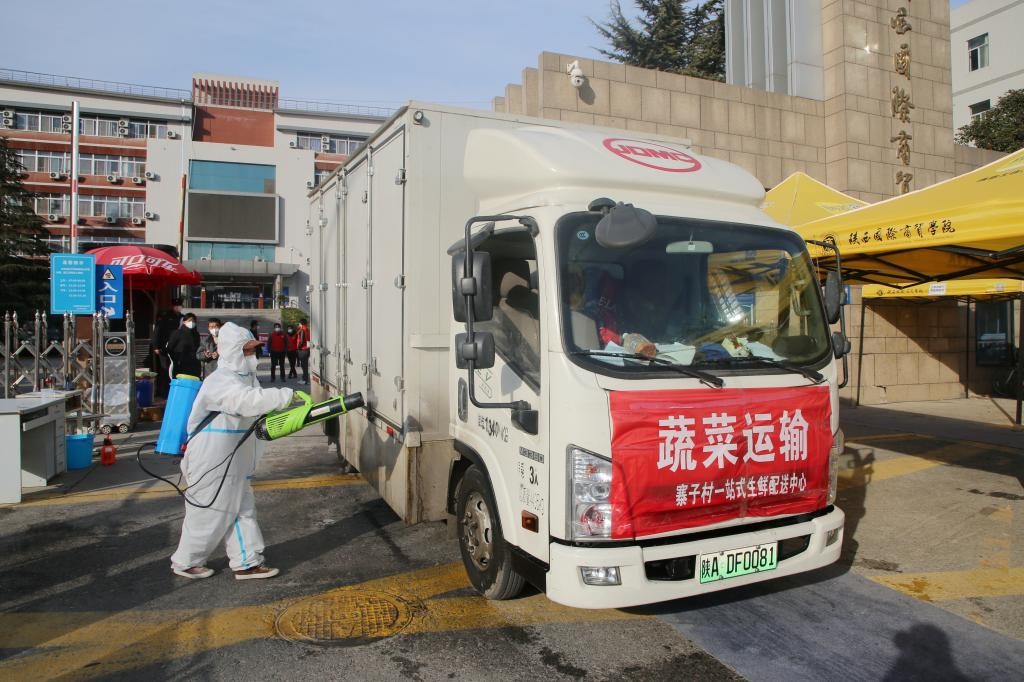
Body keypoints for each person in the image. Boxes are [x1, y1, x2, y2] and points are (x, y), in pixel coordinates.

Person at [170, 322, 295, 580]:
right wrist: (283, 396)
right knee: (209, 511)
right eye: (247, 350)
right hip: (212, 459)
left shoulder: (246, 378)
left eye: (253, 349)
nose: (252, 355)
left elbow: (255, 411)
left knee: (242, 509)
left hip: (234, 458)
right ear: (232, 351)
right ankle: (186, 561)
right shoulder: (220, 380)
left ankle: (247, 562)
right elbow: (244, 402)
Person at [150, 300, 183, 398]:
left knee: (176, 369)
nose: (178, 307)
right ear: (172, 306)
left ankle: (174, 390)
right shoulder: (165, 316)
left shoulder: (182, 318)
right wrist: (156, 346)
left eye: (179, 305)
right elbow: (157, 331)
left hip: (178, 348)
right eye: (176, 305)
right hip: (164, 347)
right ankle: (163, 392)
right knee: (164, 369)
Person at [166, 313, 203, 378]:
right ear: (184, 322)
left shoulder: (196, 334)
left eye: (193, 321)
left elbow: (197, 348)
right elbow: (170, 348)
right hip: (180, 365)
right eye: (189, 320)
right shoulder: (177, 333)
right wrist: (176, 359)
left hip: (194, 364)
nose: (192, 322)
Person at [296, 318, 310, 383]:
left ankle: (305, 380)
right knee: (305, 365)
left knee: (304, 366)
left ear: (301, 323)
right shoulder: (307, 329)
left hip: (303, 349)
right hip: (307, 349)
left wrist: (298, 347)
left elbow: (301, 341)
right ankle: (304, 378)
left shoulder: (302, 330)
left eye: (299, 323)